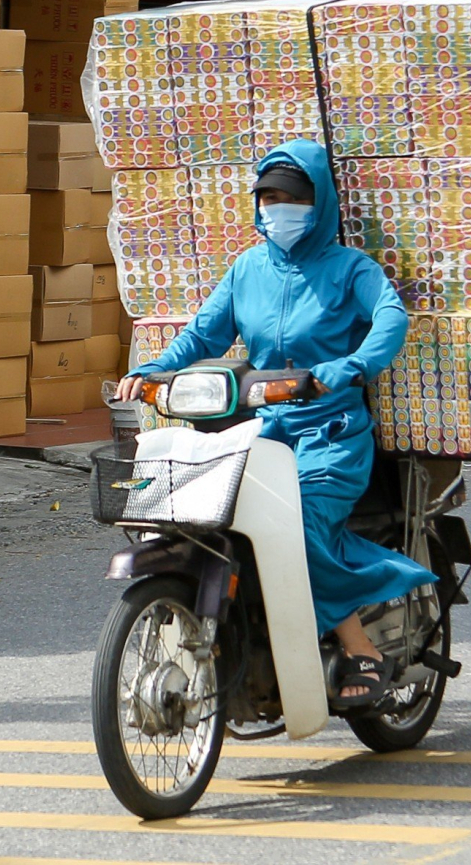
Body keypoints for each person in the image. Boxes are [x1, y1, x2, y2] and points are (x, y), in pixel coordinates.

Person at [116, 139, 434, 709]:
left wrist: (350, 366)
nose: (277, 209)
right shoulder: (247, 269)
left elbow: (390, 314)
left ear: (318, 203)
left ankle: (360, 645)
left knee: (298, 525)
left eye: (290, 197)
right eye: (267, 198)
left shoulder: (349, 268)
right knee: (199, 515)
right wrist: (156, 368)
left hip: (330, 437)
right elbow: (203, 333)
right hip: (264, 431)